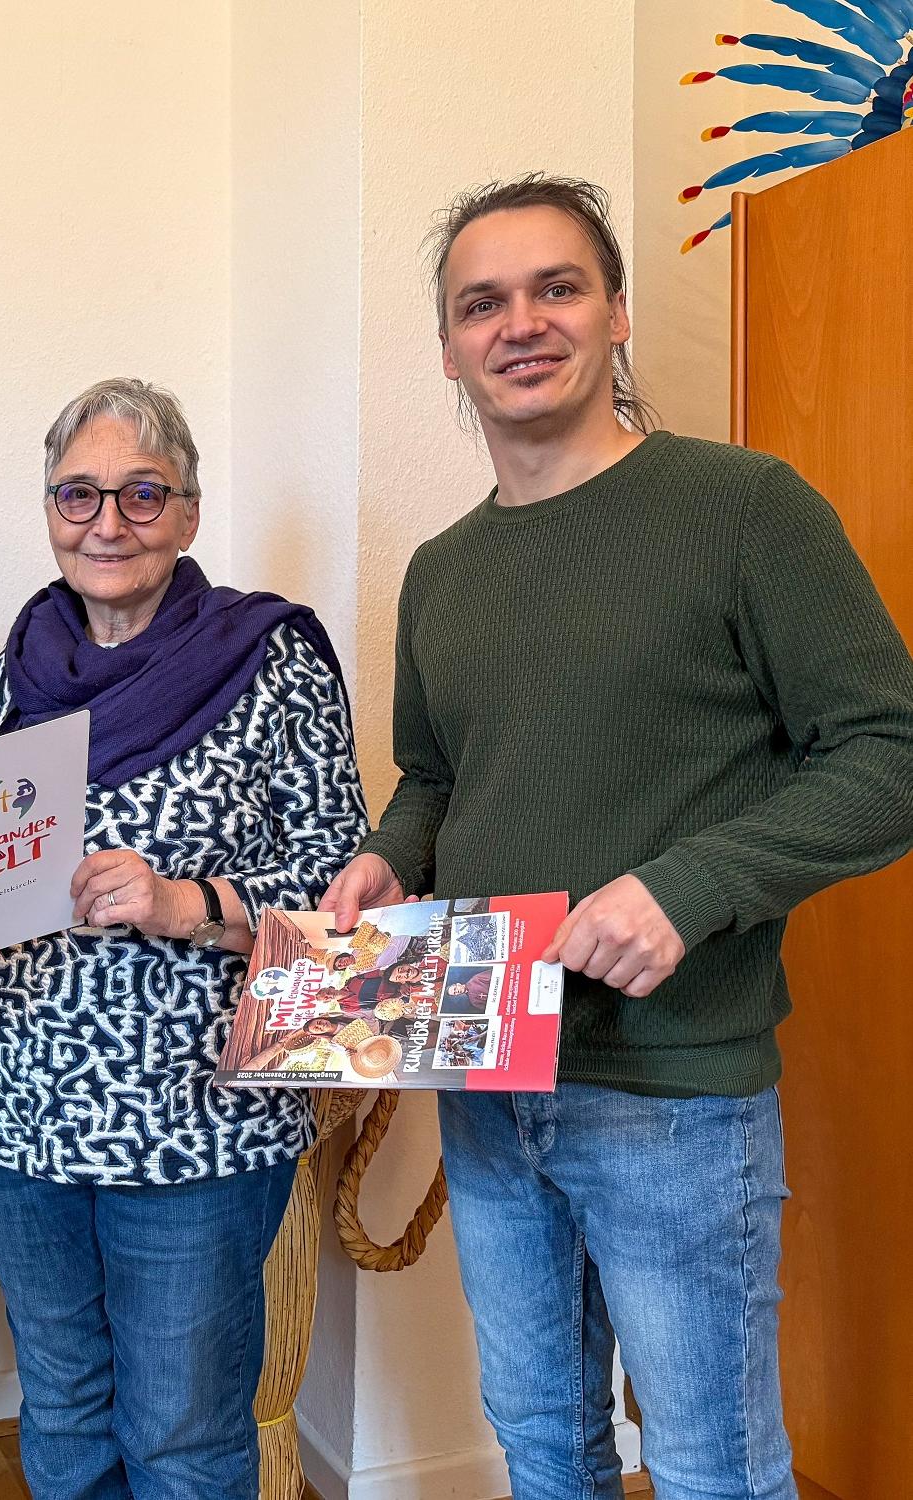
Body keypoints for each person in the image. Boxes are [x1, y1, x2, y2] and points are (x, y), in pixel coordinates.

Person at [323, 174, 913, 1499]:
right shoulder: (443, 570)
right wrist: (388, 855)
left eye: (558, 287)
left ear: (618, 312)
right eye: (484, 302)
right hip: (482, 1071)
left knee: (716, 1466)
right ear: (449, 348)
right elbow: (435, 777)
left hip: (673, 1099)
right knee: (545, 1446)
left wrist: (691, 886)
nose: (521, 322)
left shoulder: (746, 509)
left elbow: (890, 757)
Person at [0, 377, 367, 1500]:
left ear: (190, 514)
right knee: (63, 1415)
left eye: (142, 494)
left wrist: (186, 903)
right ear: (49, 508)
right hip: (19, 1110)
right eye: (79, 494)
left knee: (183, 1437)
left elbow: (347, 896)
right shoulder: (11, 677)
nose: (107, 521)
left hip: (200, 1126)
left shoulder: (273, 664)